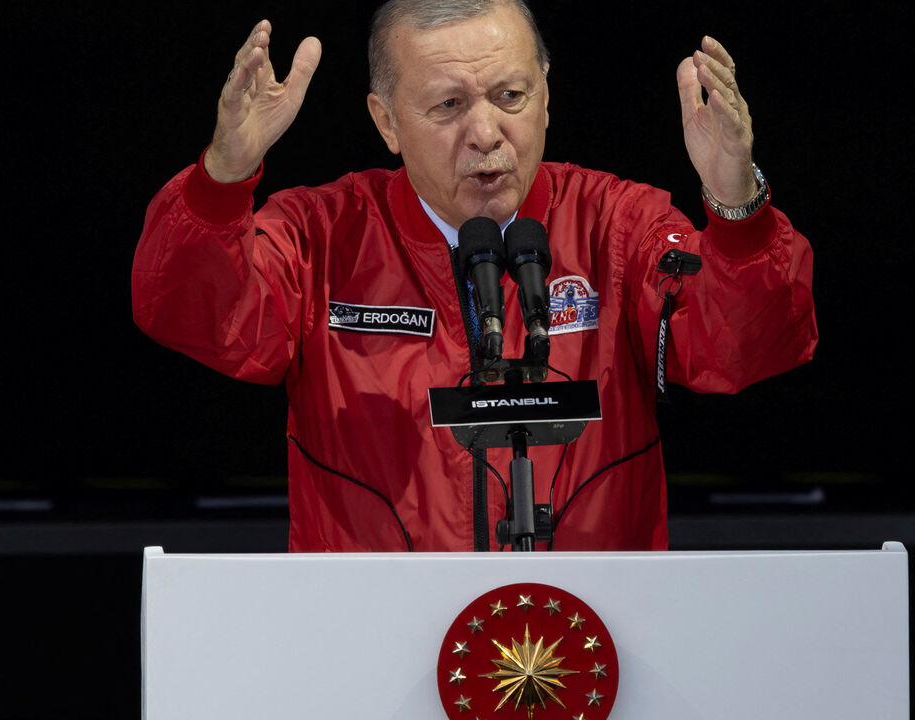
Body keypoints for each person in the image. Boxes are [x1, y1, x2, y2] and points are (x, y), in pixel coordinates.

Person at [132, 0, 816, 552]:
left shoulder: (618, 225)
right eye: (450, 106)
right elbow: (193, 314)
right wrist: (220, 183)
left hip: (587, 643)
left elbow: (743, 349)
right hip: (375, 650)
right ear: (387, 123)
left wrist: (738, 211)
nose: (487, 132)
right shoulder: (322, 234)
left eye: (510, 95)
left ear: (546, 98)